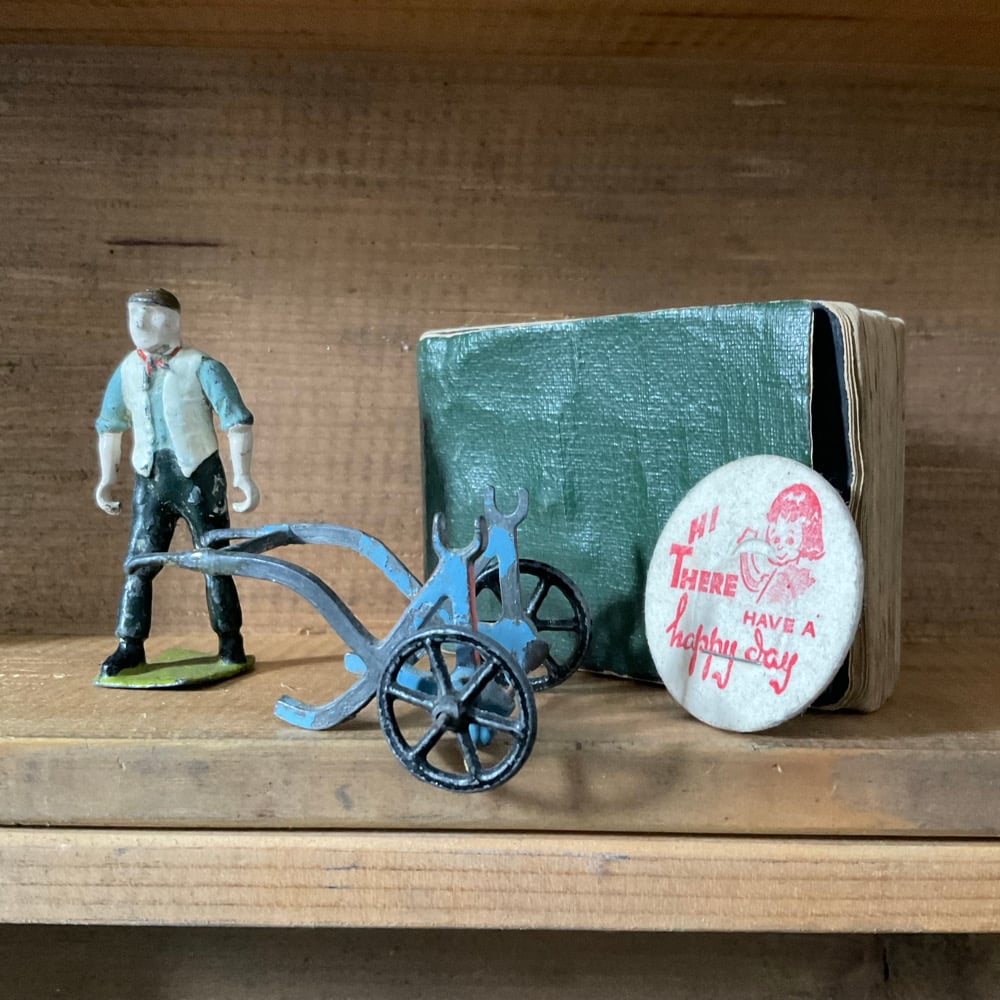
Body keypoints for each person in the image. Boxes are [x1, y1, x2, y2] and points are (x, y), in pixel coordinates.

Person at [95, 288, 260, 676]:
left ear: (172, 320)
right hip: (150, 478)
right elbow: (110, 426)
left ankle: (230, 641)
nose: (139, 324)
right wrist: (106, 478)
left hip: (199, 476)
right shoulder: (128, 371)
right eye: (133, 315)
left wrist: (243, 477)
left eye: (149, 316)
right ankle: (129, 644)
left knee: (215, 559)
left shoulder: (201, 366)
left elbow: (236, 421)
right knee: (139, 561)